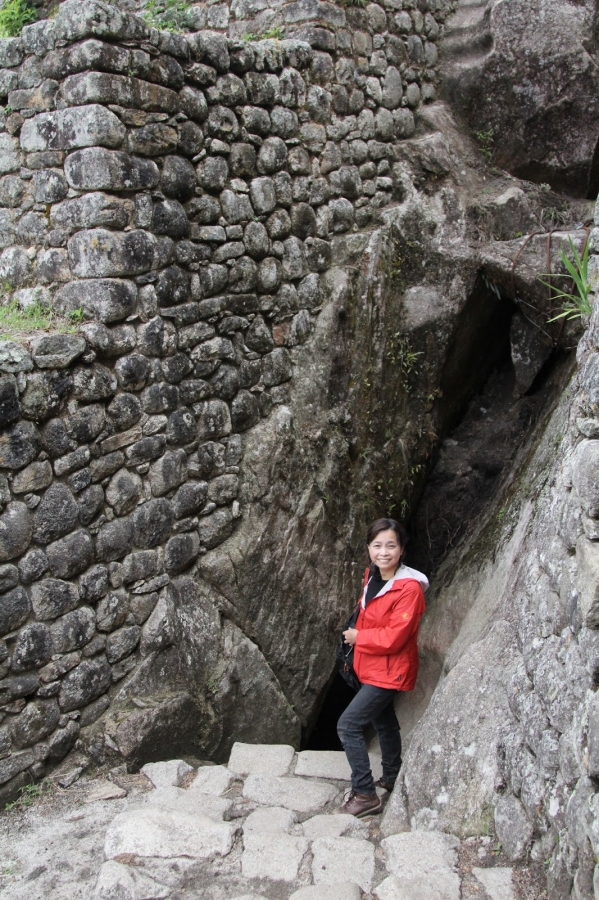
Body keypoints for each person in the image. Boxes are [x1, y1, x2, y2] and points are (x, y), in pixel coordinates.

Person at [337, 517, 429, 817]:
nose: (384, 552)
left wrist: (359, 637)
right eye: (377, 545)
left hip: (389, 669)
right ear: (369, 548)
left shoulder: (409, 589)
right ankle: (391, 775)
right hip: (370, 665)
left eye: (391, 545)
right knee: (383, 720)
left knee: (348, 725)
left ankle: (364, 793)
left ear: (401, 549)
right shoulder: (372, 576)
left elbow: (395, 637)